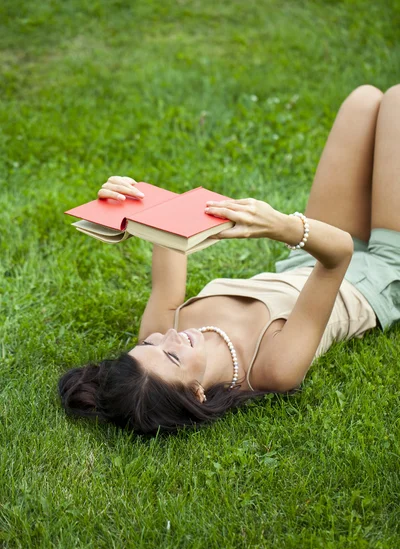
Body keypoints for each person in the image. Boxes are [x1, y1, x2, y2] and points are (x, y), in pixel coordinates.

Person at [59, 84, 400, 435]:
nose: (168, 337)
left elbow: (168, 229)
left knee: (364, 99)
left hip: (305, 259)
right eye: (172, 357)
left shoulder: (162, 328)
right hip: (374, 275)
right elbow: (339, 257)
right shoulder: (274, 369)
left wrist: (132, 204)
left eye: (148, 345)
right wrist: (280, 226)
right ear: (197, 393)